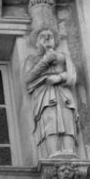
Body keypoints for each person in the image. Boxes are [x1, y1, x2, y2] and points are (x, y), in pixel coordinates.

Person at [24, 27, 79, 158]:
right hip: (44, 93)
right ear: (37, 43)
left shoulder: (64, 57)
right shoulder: (32, 59)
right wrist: (45, 60)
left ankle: (69, 152)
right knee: (50, 119)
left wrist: (60, 77)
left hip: (63, 92)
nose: (47, 39)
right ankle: (53, 153)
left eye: (51, 36)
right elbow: (28, 78)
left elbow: (73, 74)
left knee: (67, 119)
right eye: (43, 37)